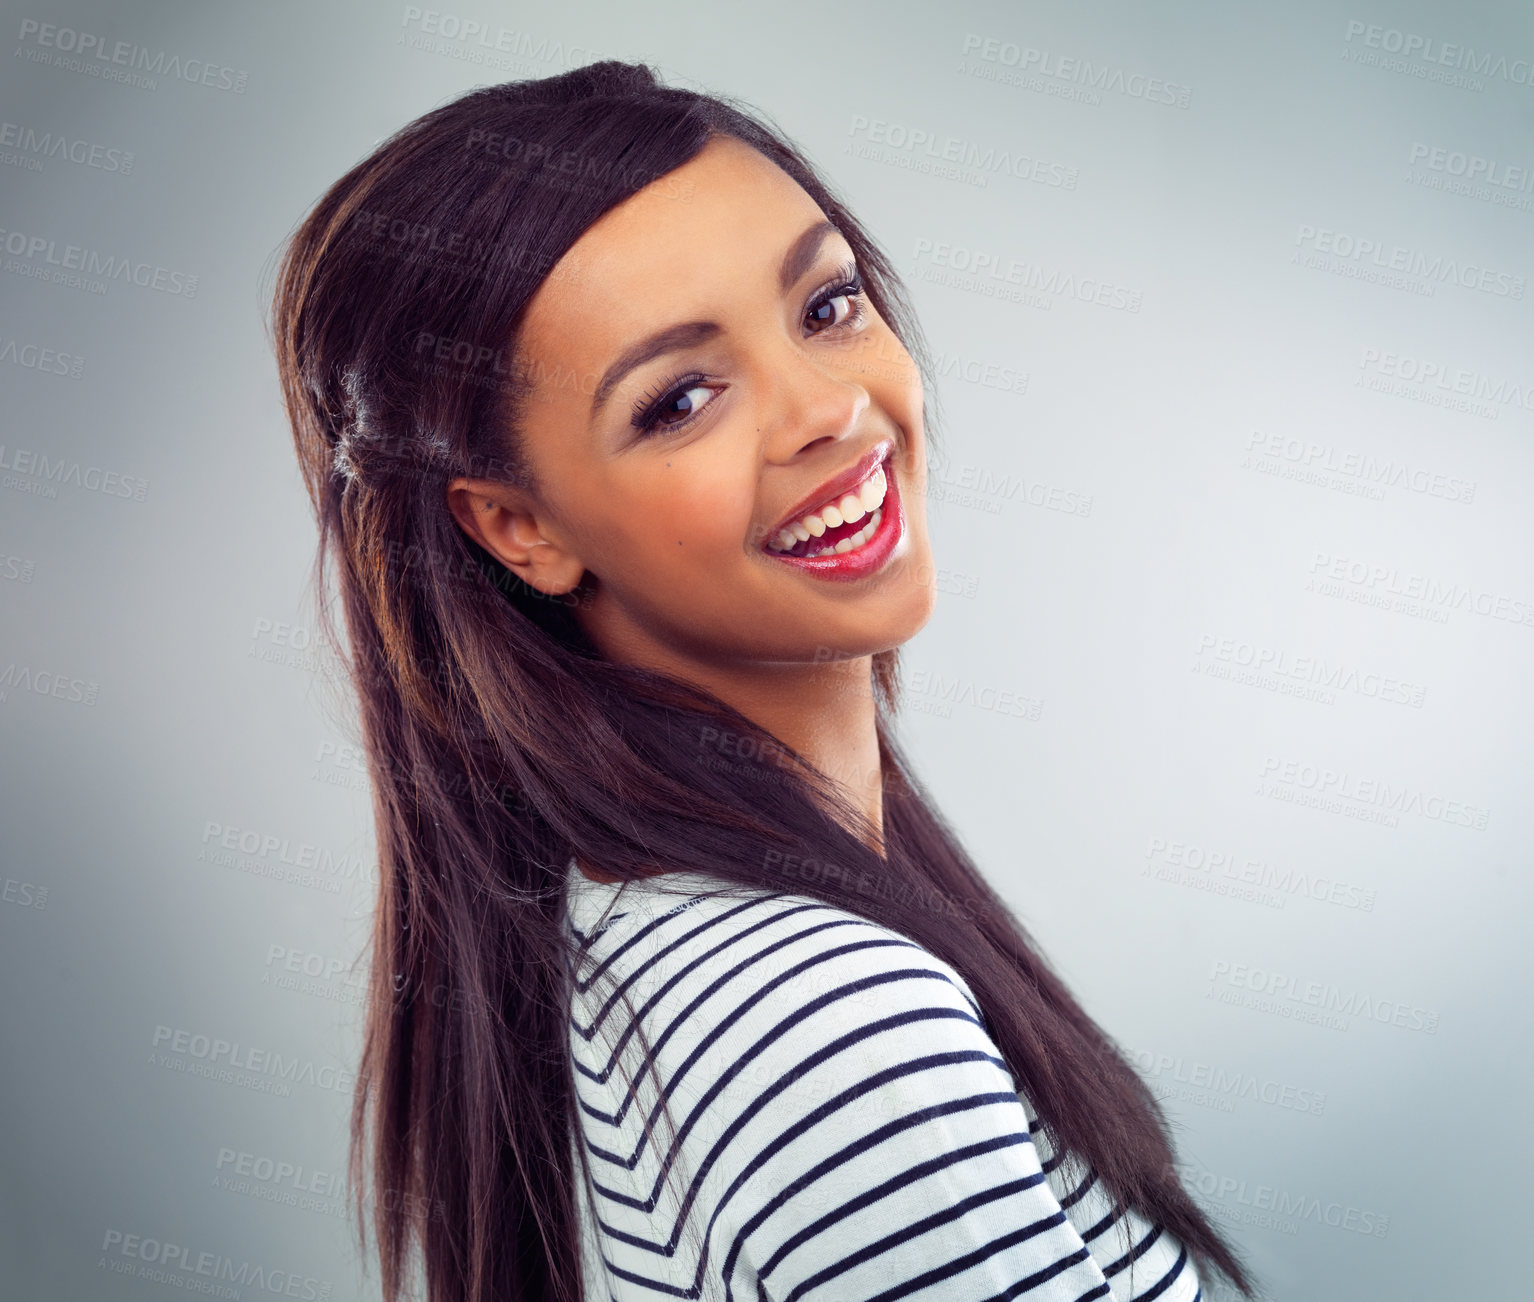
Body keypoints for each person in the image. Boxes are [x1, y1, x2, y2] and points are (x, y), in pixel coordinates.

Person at [270, 59, 1253, 1302]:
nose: (825, 411)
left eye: (827, 305)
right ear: (521, 528)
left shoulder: (672, 924)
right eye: (679, 399)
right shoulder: (829, 1021)